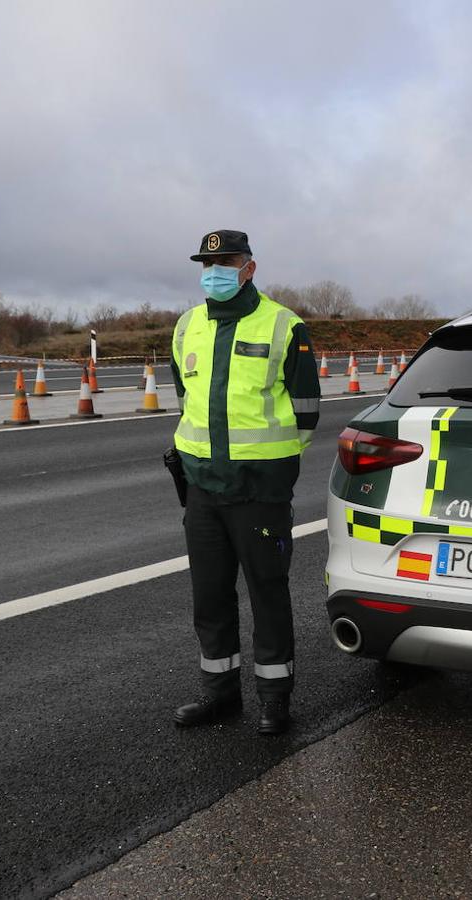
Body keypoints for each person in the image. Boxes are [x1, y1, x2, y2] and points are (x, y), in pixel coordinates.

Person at [169, 229, 320, 735]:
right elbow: (186, 396)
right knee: (209, 597)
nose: (214, 272)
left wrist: (266, 464)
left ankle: (275, 700)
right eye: (207, 264)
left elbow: (305, 413)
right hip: (203, 489)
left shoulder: (285, 326)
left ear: (249, 268)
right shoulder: (186, 326)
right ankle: (220, 695)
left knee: (267, 594)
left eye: (226, 262)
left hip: (260, 490)